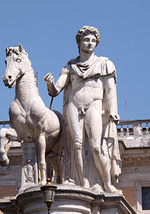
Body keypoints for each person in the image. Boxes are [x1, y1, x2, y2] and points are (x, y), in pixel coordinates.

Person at [44, 26, 121, 193]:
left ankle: (107, 183)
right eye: (86, 39)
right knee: (76, 146)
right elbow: (55, 90)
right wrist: (50, 84)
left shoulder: (104, 64)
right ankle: (83, 183)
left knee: (95, 146)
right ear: (79, 42)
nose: (90, 43)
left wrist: (113, 111)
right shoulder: (70, 66)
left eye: (93, 40)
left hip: (95, 105)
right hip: (74, 105)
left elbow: (110, 90)